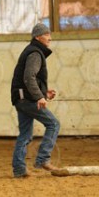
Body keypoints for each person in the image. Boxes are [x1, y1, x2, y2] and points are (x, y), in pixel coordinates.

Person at [10, 23, 60, 178]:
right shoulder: (35, 53)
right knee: (53, 124)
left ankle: (19, 169)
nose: (50, 38)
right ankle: (43, 159)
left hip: (21, 98)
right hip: (27, 100)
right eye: (46, 34)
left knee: (25, 135)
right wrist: (39, 97)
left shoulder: (32, 51)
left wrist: (43, 92)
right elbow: (28, 77)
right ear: (38, 37)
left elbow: (29, 79)